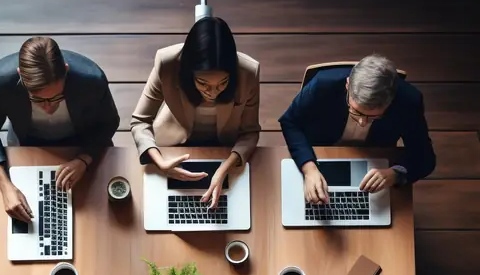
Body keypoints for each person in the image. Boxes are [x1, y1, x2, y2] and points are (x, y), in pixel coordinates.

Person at [0, 36, 120, 222]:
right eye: (37, 99)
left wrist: (84, 159)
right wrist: (6, 187)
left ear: (66, 71)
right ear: (20, 74)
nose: (49, 108)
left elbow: (109, 123)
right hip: (27, 144)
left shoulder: (92, 79)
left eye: (56, 98)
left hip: (83, 144)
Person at [130, 17, 260, 209]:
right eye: (203, 83)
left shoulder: (249, 72)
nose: (213, 93)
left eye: (223, 83)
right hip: (174, 144)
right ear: (188, 72)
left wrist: (225, 167)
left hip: (226, 147)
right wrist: (159, 162)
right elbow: (140, 121)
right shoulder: (167, 63)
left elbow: (250, 132)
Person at [279, 54, 436, 204]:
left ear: (390, 101)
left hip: (373, 159)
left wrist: (395, 174)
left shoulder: (409, 101)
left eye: (374, 116)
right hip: (320, 154)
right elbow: (290, 121)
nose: (362, 122)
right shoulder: (322, 85)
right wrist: (309, 169)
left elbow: (425, 157)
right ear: (347, 85)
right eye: (356, 111)